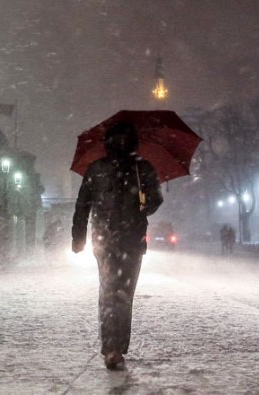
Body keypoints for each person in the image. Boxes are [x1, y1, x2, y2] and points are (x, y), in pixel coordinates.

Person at [71, 121, 163, 370]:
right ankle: (116, 347)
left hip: (107, 239)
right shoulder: (141, 167)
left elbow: (82, 205)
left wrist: (78, 237)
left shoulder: (97, 168)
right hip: (128, 240)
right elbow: (155, 202)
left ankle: (112, 347)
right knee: (122, 294)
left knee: (110, 292)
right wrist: (145, 204)